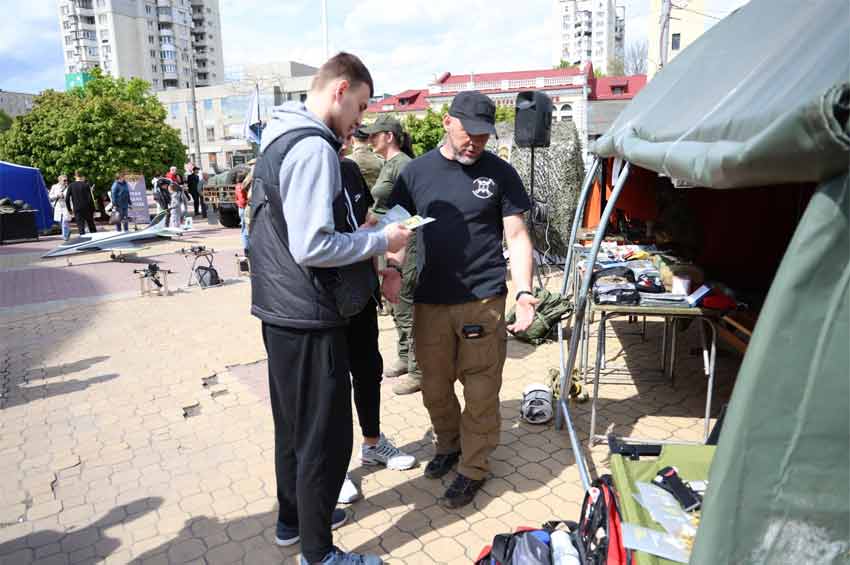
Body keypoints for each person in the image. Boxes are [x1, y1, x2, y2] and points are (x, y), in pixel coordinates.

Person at [249, 52, 410, 565]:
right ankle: (319, 554)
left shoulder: (276, 138)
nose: (361, 121)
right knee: (326, 434)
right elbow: (312, 246)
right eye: (360, 106)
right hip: (308, 311)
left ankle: (294, 521)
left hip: (279, 308)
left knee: (293, 427)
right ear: (340, 90)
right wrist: (382, 240)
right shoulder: (313, 147)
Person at [382, 91, 538, 509]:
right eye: (470, 133)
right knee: (434, 386)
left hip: (483, 299)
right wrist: (392, 269)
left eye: (484, 137)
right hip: (430, 301)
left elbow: (518, 236)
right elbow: (398, 230)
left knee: (482, 388)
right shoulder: (415, 173)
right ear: (448, 122)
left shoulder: (501, 174)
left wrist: (524, 292)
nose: (476, 143)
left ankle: (474, 467)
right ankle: (448, 445)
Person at [336, 137, 416, 506]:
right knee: (330, 387)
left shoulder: (350, 169)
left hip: (361, 295)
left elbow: (363, 224)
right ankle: (333, 470)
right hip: (323, 305)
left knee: (368, 372)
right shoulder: (301, 172)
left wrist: (385, 272)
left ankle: (372, 444)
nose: (348, 139)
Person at [360, 115, 420, 394]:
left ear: (389, 136)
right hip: (388, 239)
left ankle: (419, 370)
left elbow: (418, 211)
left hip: (406, 242)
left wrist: (403, 238)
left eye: (374, 135)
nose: (370, 140)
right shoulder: (389, 164)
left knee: (407, 303)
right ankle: (405, 358)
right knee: (396, 301)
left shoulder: (405, 165)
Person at [49, 175, 72, 240]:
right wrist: (57, 195)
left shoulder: (68, 187)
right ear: (59, 180)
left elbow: (71, 197)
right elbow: (50, 197)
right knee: (60, 221)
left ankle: (65, 236)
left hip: (66, 206)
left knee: (65, 221)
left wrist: (64, 196)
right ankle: (68, 231)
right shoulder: (54, 187)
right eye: (64, 180)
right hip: (58, 206)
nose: (66, 181)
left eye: (67, 180)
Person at [234, 170, 249, 253]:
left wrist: (238, 204)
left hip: (240, 208)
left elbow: (236, 198)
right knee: (247, 228)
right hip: (244, 207)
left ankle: (246, 247)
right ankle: (247, 247)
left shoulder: (237, 186)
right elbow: (244, 199)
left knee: (243, 228)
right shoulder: (243, 187)